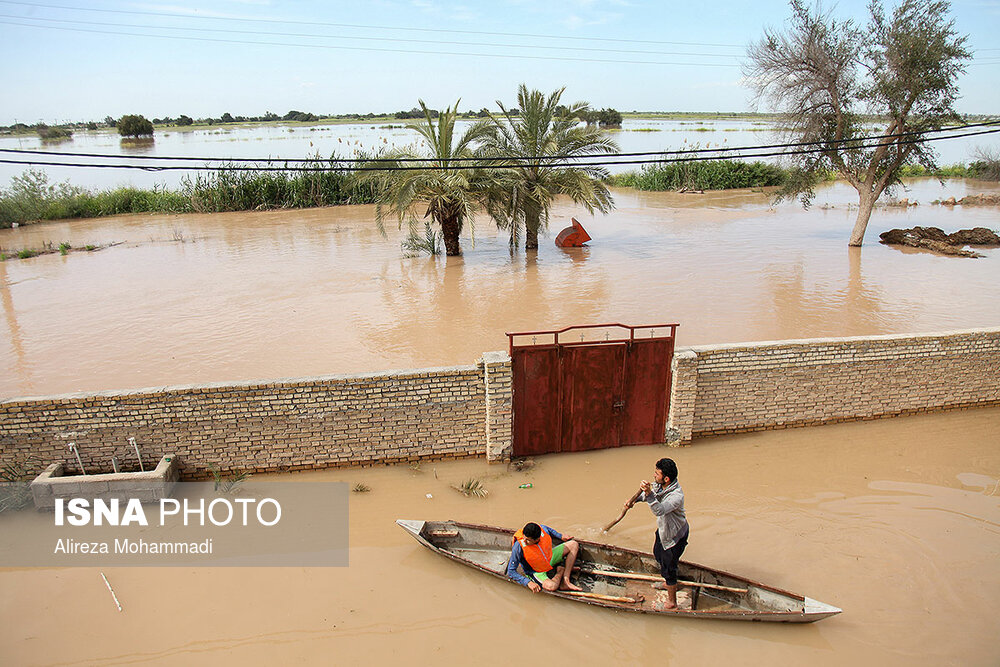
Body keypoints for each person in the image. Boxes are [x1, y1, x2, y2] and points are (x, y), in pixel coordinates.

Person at [626, 457, 689, 610]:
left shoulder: (676, 496)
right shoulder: (660, 486)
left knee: (669, 567)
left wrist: (648, 493)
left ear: (666, 478)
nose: (654, 476)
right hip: (663, 530)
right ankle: (668, 581)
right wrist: (636, 499)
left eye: (657, 474)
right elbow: (649, 495)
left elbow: (659, 510)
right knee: (657, 554)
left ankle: (672, 601)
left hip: (674, 536)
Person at [506, 522, 582, 593]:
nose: (524, 541)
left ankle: (566, 580)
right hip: (536, 571)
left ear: (537, 539)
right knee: (552, 586)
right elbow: (511, 571)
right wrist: (528, 582)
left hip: (549, 558)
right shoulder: (519, 546)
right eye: (524, 537)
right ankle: (560, 571)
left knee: (574, 544)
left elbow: (548, 529)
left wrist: (560, 536)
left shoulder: (543, 531)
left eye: (528, 540)